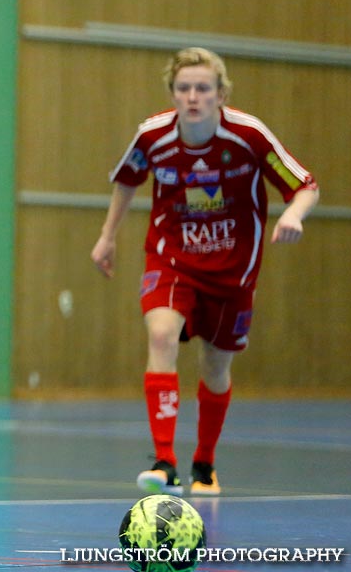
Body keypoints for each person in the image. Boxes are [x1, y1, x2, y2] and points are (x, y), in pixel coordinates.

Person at [90, 47, 317, 497]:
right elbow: (127, 180)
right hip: (171, 258)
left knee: (215, 367)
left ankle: (204, 463)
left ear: (220, 94)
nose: (193, 97)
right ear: (172, 93)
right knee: (160, 336)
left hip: (233, 271)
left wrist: (294, 215)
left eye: (202, 88)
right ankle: (164, 462)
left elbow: (305, 185)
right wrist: (107, 236)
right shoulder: (153, 137)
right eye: (184, 88)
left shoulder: (248, 136)